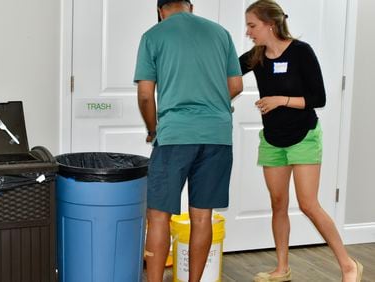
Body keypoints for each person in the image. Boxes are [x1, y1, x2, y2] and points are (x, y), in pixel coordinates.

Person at [239, 1, 363, 282]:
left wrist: (279, 100)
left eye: (252, 25)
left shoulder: (300, 52)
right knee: (278, 203)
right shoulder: (256, 56)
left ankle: (348, 265)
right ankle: (282, 269)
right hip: (272, 140)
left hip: (304, 136)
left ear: (270, 24)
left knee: (308, 204)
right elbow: (227, 72)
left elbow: (318, 98)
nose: (248, 32)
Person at [134, 0, 243, 281]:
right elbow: (236, 85)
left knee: (158, 215)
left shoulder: (153, 36)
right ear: (190, 7)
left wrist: (152, 128)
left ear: (160, 11)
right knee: (202, 215)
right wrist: (213, 105)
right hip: (217, 135)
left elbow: (146, 95)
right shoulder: (220, 33)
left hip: (174, 136)